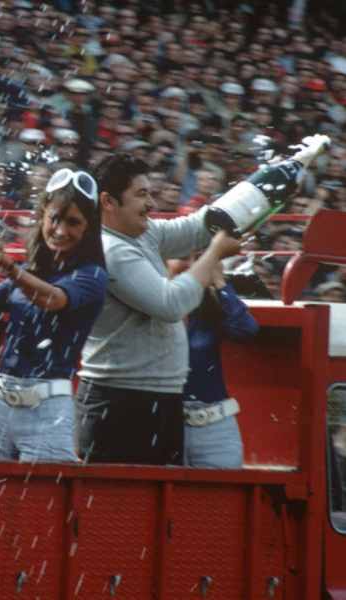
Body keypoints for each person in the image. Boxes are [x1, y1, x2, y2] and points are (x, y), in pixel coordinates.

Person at [77, 154, 243, 465]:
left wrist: (261, 190)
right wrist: (216, 251)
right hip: (120, 402)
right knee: (118, 509)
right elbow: (170, 304)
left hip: (156, 399)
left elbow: (197, 227)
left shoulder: (142, 233)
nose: (151, 204)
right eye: (141, 195)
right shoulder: (109, 249)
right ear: (108, 202)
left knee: (155, 506)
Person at [0, 168, 107, 462]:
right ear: (42, 218)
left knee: (43, 503)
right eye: (55, 219)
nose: (61, 230)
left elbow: (53, 299)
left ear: (88, 228)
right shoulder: (26, 272)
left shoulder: (93, 275)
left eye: (73, 222)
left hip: (49, 407)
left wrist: (10, 269)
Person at [179, 261, 258, 468]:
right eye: (181, 255)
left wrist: (219, 282)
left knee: (221, 498)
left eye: (199, 257)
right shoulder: (147, 305)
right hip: (166, 427)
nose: (191, 263)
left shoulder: (207, 310)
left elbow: (246, 329)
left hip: (215, 429)